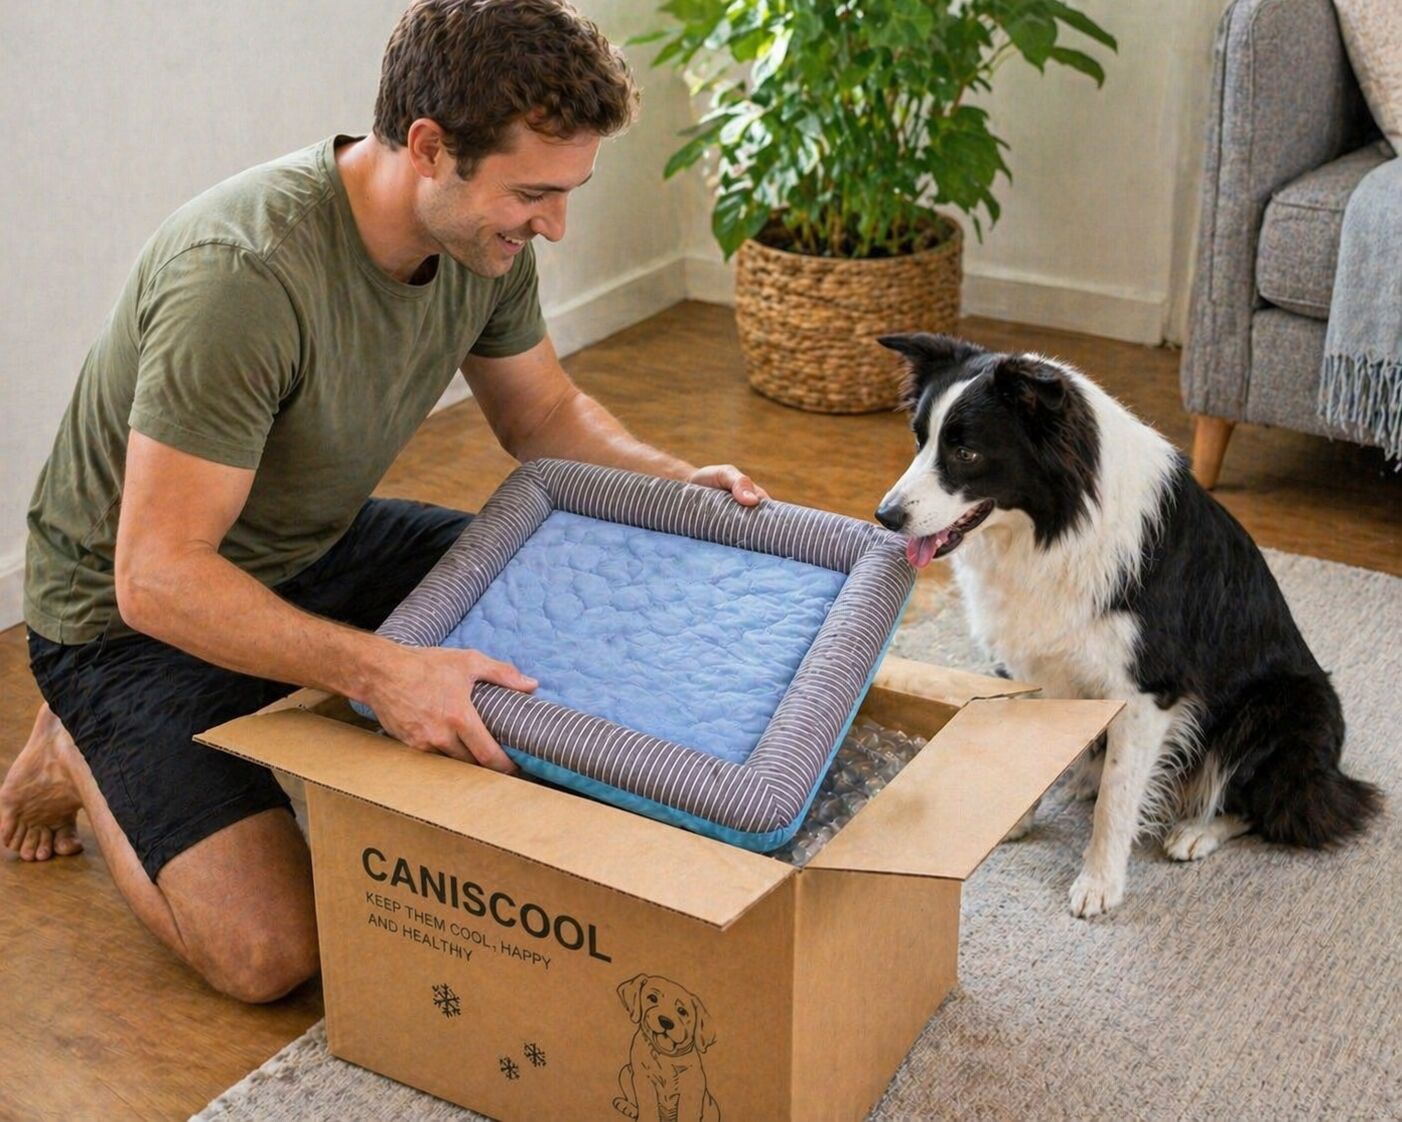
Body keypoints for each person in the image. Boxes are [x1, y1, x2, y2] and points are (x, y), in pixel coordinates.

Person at [0, 0, 767, 1004]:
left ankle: (265, 690)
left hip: (309, 548)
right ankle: (74, 745)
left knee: (575, 605)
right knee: (271, 956)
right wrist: (387, 672)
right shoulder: (241, 275)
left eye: (567, 192)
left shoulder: (483, 238)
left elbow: (540, 411)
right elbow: (155, 578)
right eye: (534, 193)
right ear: (429, 146)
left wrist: (675, 481)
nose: (554, 225)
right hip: (127, 622)